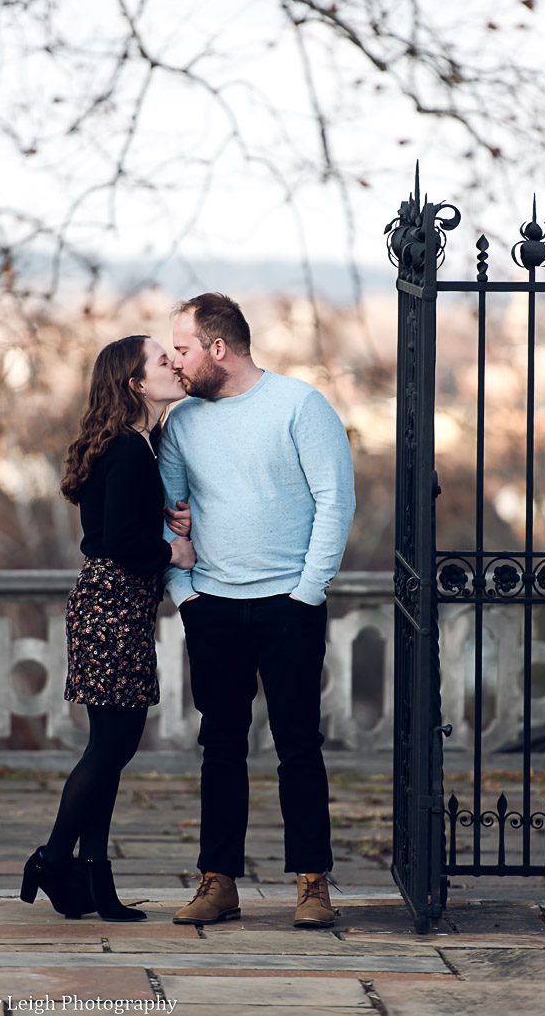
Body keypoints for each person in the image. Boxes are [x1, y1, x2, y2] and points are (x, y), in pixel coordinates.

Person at [159, 293, 355, 929]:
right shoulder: (182, 424)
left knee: (298, 745)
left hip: (288, 605)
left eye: (183, 349)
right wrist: (186, 595)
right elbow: (167, 515)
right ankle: (218, 883)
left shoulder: (299, 406)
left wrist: (308, 591)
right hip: (212, 605)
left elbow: (335, 500)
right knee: (220, 745)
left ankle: (312, 884)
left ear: (219, 348)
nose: (175, 362)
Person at [20, 335, 196, 922]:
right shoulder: (125, 449)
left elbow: (123, 522)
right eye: (162, 359)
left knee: (111, 747)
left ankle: (93, 880)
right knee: (111, 746)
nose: (174, 363)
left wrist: (164, 516)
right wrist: (172, 551)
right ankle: (50, 859)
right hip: (111, 606)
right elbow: (118, 541)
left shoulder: (140, 444)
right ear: (136, 384)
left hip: (115, 607)